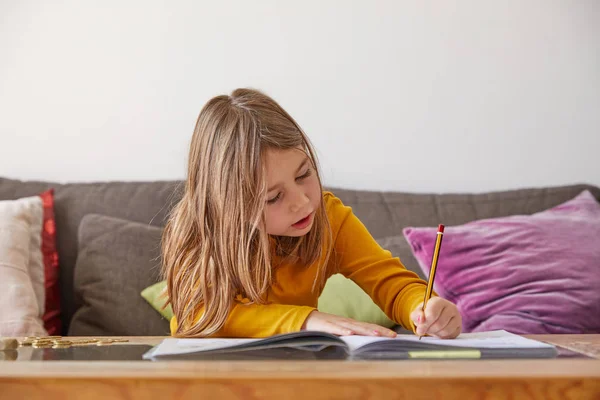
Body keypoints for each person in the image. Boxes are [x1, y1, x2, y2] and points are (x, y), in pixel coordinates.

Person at [161, 88, 462, 339]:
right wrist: (306, 321)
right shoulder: (198, 230)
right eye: (274, 197)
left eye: (304, 174)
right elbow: (199, 315)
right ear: (229, 206)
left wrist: (423, 309)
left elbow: (389, 282)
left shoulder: (329, 219)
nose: (302, 202)